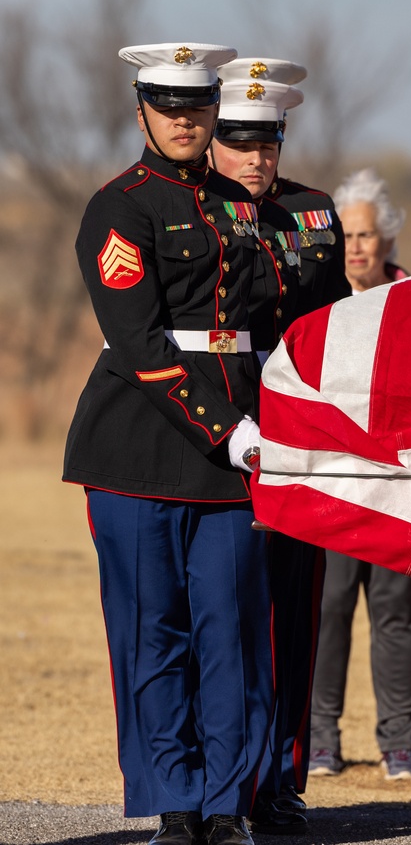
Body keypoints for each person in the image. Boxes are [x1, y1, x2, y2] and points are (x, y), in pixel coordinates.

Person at [63, 42, 274, 845]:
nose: (185, 121)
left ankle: (226, 805)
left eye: (198, 107)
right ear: (141, 109)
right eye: (169, 106)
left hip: (236, 452)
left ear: (217, 110)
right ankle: (175, 803)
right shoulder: (118, 207)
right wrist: (228, 428)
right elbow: (144, 345)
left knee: (231, 629)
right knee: (152, 630)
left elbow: (259, 326)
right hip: (140, 449)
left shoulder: (241, 203)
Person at [207, 67, 323, 836]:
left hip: (304, 432)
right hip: (226, 431)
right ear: (213, 139)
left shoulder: (312, 213)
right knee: (234, 614)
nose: (255, 156)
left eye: (268, 140)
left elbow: (332, 323)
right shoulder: (197, 210)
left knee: (296, 608)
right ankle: (233, 782)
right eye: (239, 140)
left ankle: (283, 778)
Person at [309, 168, 411, 782]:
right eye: (345, 235)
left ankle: (400, 741)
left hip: (398, 485)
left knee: (395, 611)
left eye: (365, 234)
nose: (354, 246)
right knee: (327, 608)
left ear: (388, 240)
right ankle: (321, 737)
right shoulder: (316, 297)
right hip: (331, 485)